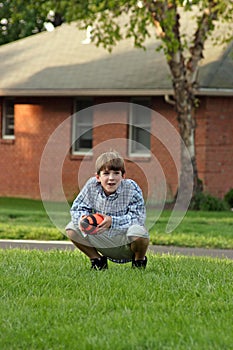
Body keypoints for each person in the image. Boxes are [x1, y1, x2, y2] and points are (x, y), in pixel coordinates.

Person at [65, 150, 150, 270]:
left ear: (123, 176)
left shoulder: (131, 188)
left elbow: (138, 218)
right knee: (71, 228)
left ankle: (139, 262)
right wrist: (83, 219)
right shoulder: (91, 185)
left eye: (116, 173)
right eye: (106, 173)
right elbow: (77, 208)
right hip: (101, 237)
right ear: (98, 177)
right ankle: (98, 261)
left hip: (125, 241)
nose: (111, 178)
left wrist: (112, 221)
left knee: (139, 231)